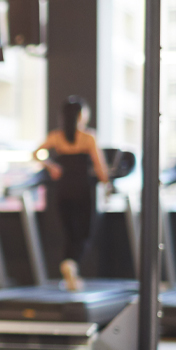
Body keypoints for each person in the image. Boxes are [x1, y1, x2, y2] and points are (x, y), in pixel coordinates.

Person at [34, 95, 110, 292]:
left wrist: (51, 167)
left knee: (70, 233)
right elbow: (100, 168)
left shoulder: (56, 137)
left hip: (63, 190)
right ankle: (72, 264)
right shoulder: (88, 137)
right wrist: (108, 184)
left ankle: (70, 270)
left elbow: (36, 153)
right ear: (81, 116)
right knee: (83, 234)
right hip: (82, 190)